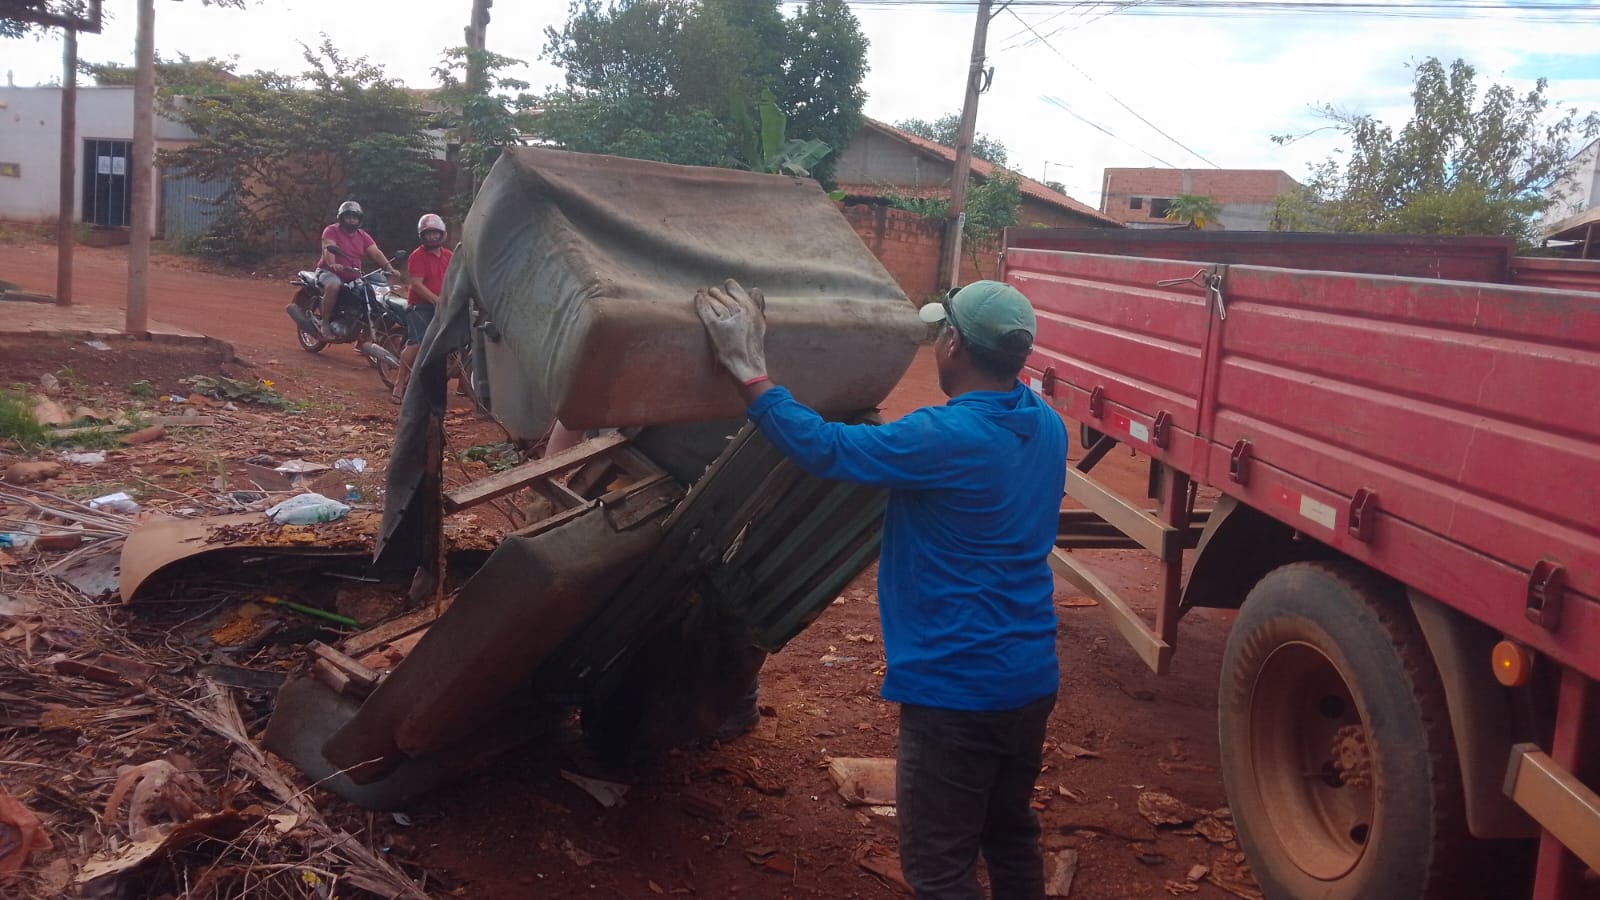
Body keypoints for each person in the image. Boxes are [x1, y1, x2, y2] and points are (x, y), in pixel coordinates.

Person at [695, 279, 1067, 900]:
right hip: (1028, 677)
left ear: (954, 344)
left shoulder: (946, 436)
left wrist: (748, 368)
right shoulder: (1046, 424)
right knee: (1008, 832)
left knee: (939, 871)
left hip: (957, 689)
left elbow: (827, 449)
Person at [314, 201, 399, 339]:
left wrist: (389, 268)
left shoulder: (363, 236)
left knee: (370, 295)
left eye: (355, 217)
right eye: (348, 217)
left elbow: (375, 253)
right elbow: (328, 248)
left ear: (359, 219)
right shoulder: (331, 230)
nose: (351, 220)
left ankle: (361, 331)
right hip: (328, 272)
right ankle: (324, 323)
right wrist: (333, 264)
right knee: (334, 286)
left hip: (353, 274)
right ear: (341, 218)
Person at [392, 213, 453, 403]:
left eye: (435, 233)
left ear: (442, 233)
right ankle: (399, 383)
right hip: (420, 306)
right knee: (417, 344)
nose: (432, 237)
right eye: (428, 233)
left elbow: (454, 280)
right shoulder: (417, 256)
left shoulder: (449, 255)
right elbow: (416, 284)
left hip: (443, 305)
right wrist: (435, 300)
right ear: (422, 236)